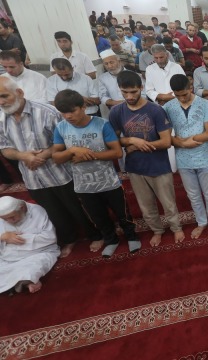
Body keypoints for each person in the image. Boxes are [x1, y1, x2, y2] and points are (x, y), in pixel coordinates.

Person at [0, 77, 101, 258]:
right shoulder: (1, 118)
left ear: (19, 93)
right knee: (53, 211)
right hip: (32, 178)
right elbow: (4, 148)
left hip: (60, 173)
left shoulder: (47, 112)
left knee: (77, 207)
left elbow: (67, 139)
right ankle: (69, 239)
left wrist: (43, 156)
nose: (1, 102)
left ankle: (96, 234)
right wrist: (23, 156)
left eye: (4, 96)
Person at [51, 89, 139, 258]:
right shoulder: (61, 128)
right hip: (83, 185)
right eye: (63, 113)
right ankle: (111, 240)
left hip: (109, 181)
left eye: (72, 111)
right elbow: (56, 157)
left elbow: (117, 152)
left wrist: (87, 156)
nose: (68, 116)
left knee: (123, 213)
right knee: (98, 217)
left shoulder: (101, 124)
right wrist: (73, 150)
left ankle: (131, 236)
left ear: (83, 106)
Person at [109, 71, 185, 247]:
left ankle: (176, 228)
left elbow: (166, 141)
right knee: (146, 205)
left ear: (141, 88)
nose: (129, 96)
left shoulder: (155, 110)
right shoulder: (116, 112)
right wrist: (130, 140)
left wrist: (136, 146)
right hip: (135, 167)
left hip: (159, 165)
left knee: (168, 202)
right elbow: (113, 140)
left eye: (133, 92)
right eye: (124, 92)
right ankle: (157, 230)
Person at [164, 74, 208, 238]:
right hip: (183, 159)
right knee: (193, 195)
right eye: (178, 96)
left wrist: (192, 140)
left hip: (203, 156)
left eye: (184, 94)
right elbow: (164, 136)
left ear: (190, 87)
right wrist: (180, 143)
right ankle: (201, 222)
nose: (182, 98)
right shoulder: (168, 107)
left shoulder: (205, 104)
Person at [0, 196, 59, 294]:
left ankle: (25, 281)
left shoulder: (37, 211)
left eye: (12, 217)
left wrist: (20, 238)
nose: (9, 221)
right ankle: (22, 282)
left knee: (34, 267)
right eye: (5, 219)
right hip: (8, 255)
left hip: (37, 253)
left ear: (22, 208)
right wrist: (3, 237)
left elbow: (50, 237)